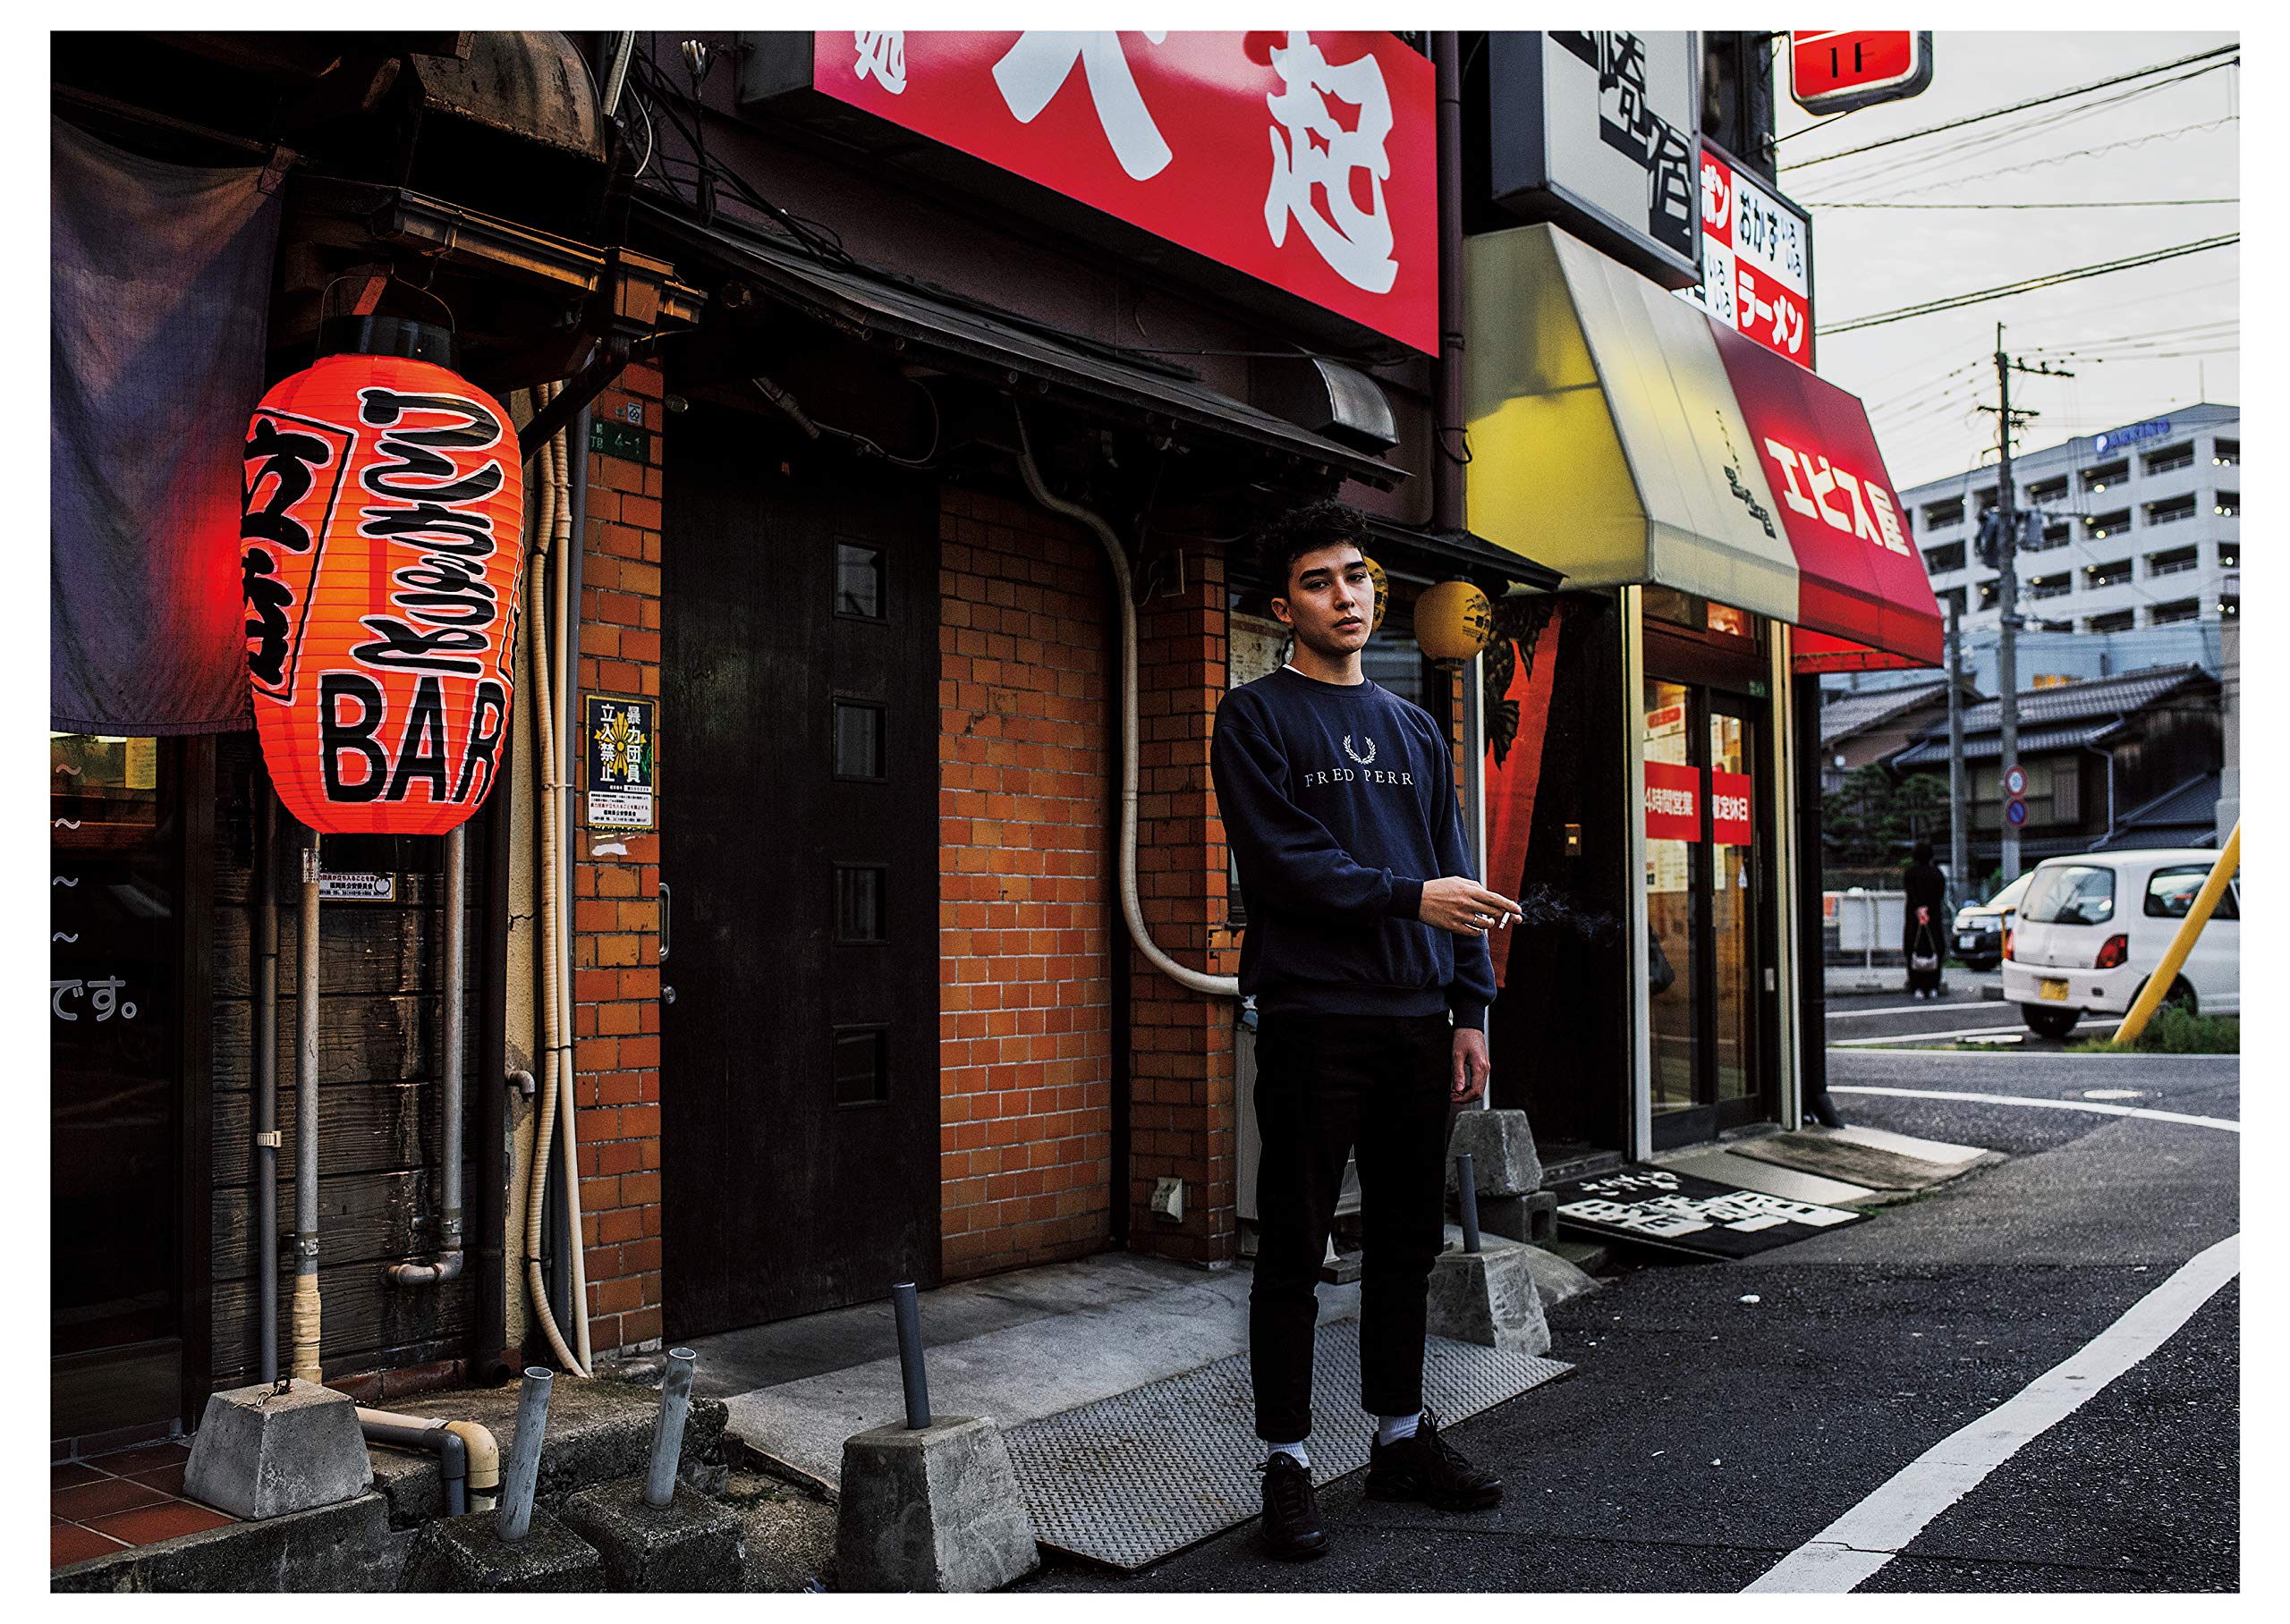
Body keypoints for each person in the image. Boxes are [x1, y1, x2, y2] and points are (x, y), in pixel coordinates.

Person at [1210, 502, 1524, 1562]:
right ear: (1281, 607)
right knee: (1293, 1245)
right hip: (1312, 1017)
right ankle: (1286, 1461)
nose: (1345, 595)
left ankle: (1398, 1437)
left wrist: (1470, 1008)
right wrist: (1407, 899)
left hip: (1415, 1022)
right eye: (1318, 581)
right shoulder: (1253, 716)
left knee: (1405, 1242)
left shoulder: (1415, 728)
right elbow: (1282, 864)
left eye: (1355, 574)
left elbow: (1453, 867)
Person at [1901, 837, 1949, 1000]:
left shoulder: (1910, 874)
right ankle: (1933, 985)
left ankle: (1917, 986)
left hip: (1914, 919)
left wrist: (1919, 908)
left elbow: (1910, 892)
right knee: (1934, 949)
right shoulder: (1937, 874)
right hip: (1933, 918)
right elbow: (1940, 895)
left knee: (1914, 950)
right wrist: (1928, 909)